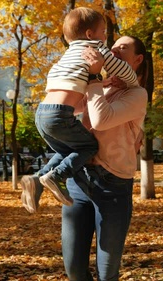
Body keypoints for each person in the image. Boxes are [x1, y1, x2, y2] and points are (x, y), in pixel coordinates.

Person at [22, 35, 148, 280]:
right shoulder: (102, 85)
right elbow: (74, 109)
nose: (113, 51)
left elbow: (101, 121)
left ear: (138, 59)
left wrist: (93, 78)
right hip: (78, 182)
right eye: (112, 48)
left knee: (106, 273)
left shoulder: (137, 94)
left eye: (123, 48)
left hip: (113, 187)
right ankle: (39, 179)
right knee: (75, 270)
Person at [24, 7, 139, 207]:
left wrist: (100, 83)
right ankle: (57, 176)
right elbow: (120, 68)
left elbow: (65, 81)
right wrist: (133, 82)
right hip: (60, 115)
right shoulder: (95, 48)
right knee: (89, 146)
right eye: (103, 32)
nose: (105, 37)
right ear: (90, 34)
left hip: (42, 113)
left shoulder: (68, 54)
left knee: (70, 150)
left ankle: (37, 179)